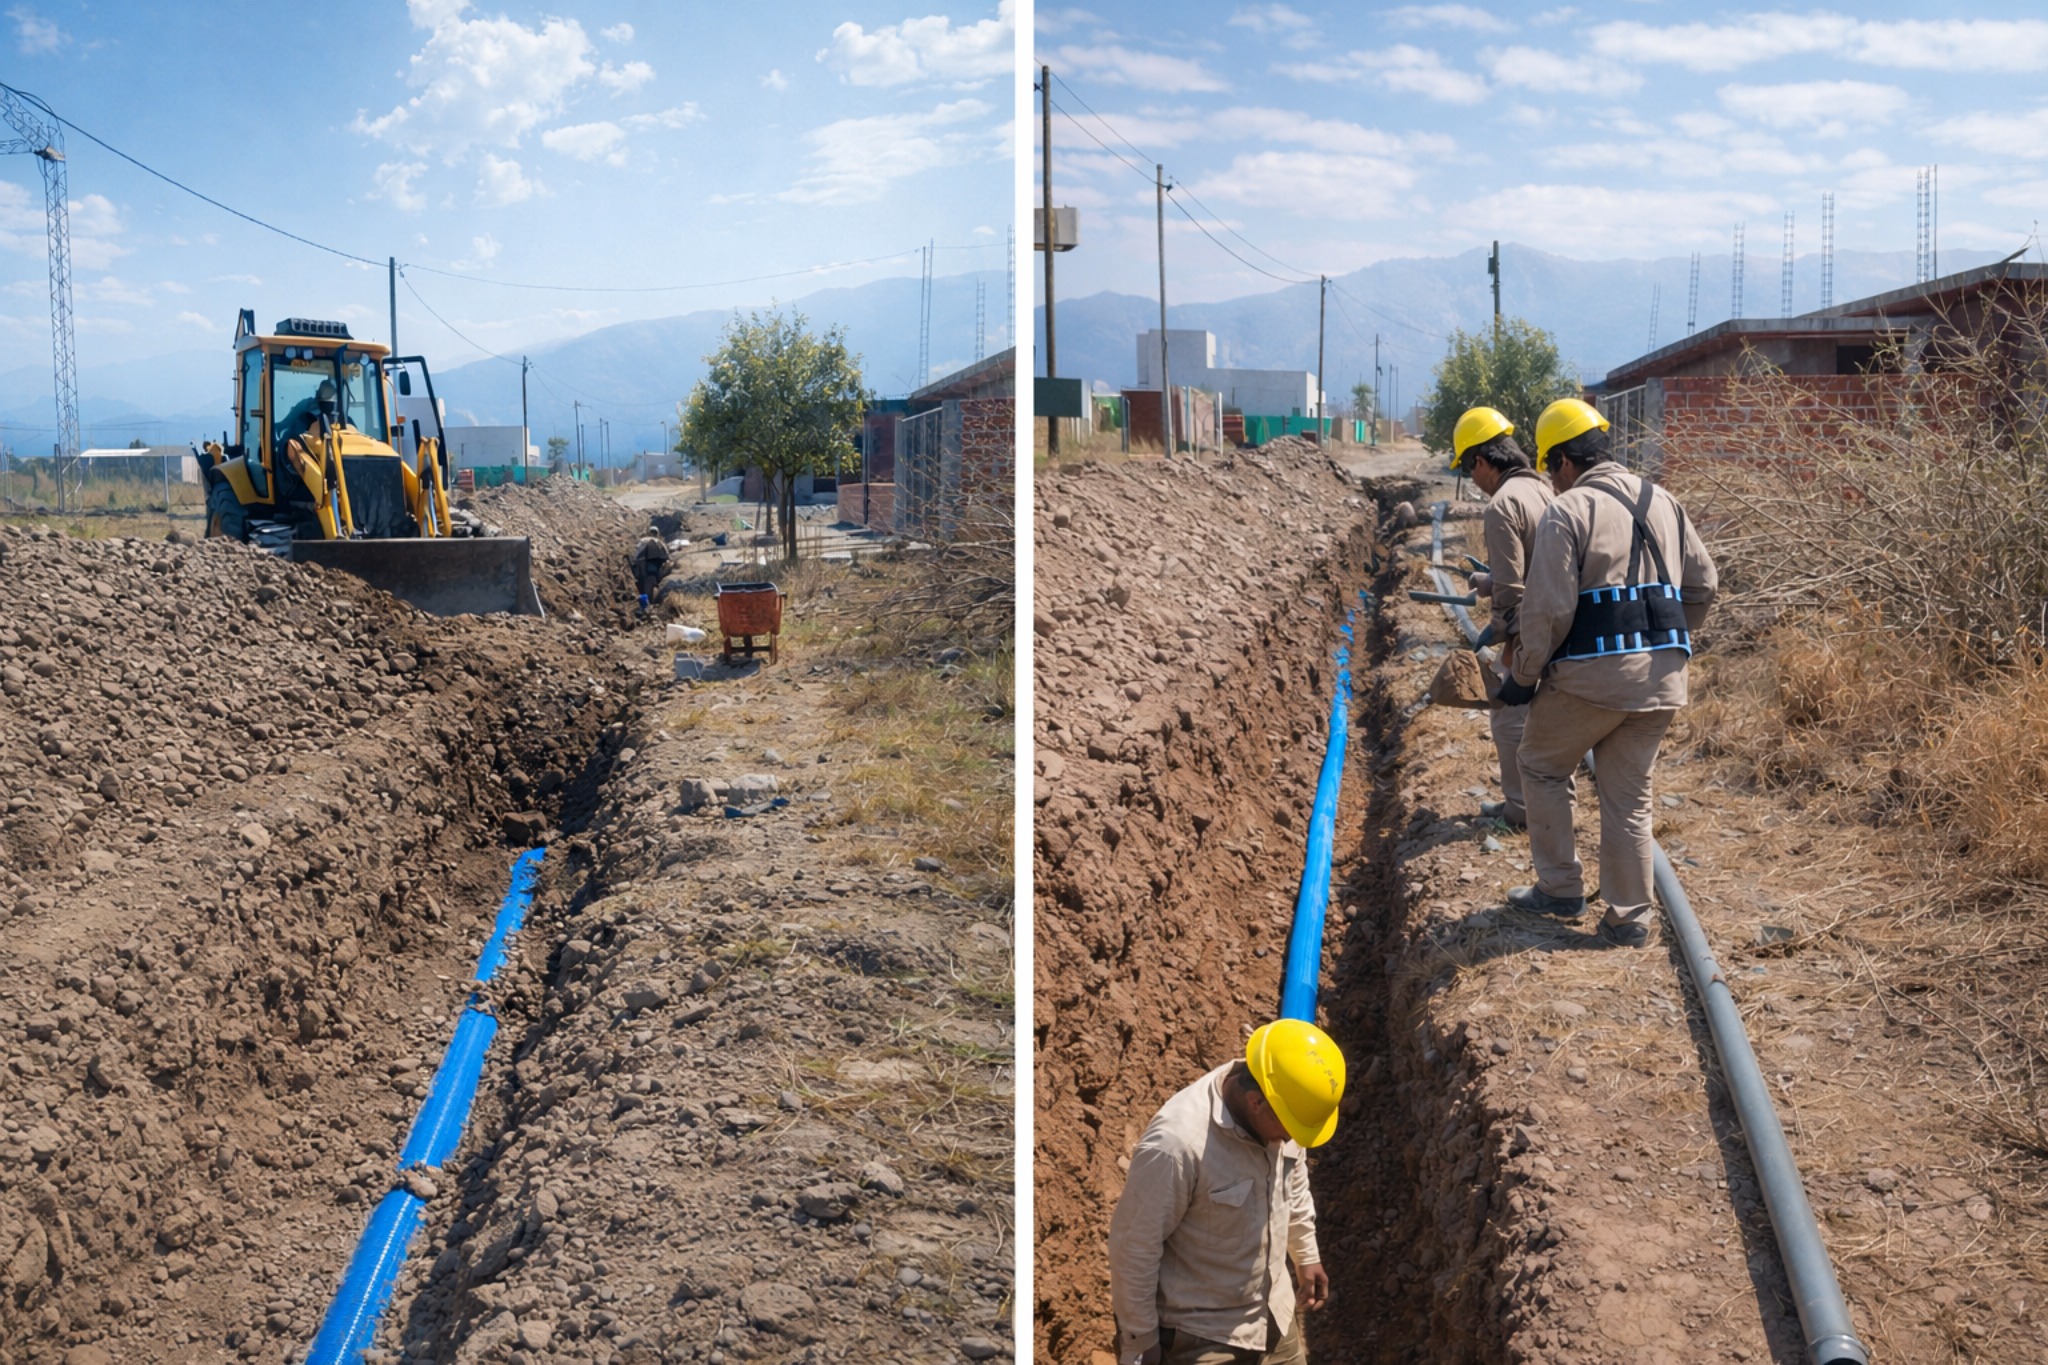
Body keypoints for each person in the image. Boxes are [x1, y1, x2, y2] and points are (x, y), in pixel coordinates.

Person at [1497, 398, 1717, 948]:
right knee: (1630, 797)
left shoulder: (1567, 512)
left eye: (1551, 467)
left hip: (1591, 683)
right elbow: (1704, 584)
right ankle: (1627, 919)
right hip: (1664, 681)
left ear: (1566, 460)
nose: (1552, 479)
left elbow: (1547, 612)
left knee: (1541, 765)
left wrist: (1523, 677)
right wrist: (1666, 638)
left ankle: (1560, 888)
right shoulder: (1664, 500)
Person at [1108, 1019, 1345, 1365]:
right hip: (1203, 1335)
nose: (1293, 1139)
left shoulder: (1285, 1108)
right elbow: (1134, 1248)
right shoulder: (1178, 1145)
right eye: (1289, 1129)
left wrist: (1305, 1254)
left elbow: (1292, 1181)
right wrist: (1141, 1342)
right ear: (1256, 1102)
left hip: (1273, 1315)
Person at [1449, 406, 1553, 830]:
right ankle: (1531, 804)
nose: (1472, 480)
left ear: (1482, 461)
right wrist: (1491, 579)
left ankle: (1520, 810)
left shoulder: (1502, 505)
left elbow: (1513, 593)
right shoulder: (1546, 490)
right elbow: (1538, 564)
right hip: (1559, 621)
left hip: (1528, 630)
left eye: (1468, 469)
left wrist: (1496, 631)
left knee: (1509, 716)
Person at [630, 525, 670, 609]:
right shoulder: (660, 542)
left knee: (641, 581)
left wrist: (633, 562)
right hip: (656, 566)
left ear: (649, 532)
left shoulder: (643, 541)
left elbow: (636, 552)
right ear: (657, 533)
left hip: (642, 564)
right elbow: (666, 555)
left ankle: (643, 602)